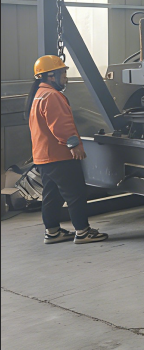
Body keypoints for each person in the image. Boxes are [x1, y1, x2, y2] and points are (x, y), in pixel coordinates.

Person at [27, 55, 108, 245]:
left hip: (44, 156)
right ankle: (83, 231)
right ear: (50, 76)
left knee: (52, 195)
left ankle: (52, 232)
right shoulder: (52, 96)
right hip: (59, 156)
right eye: (63, 73)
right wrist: (74, 145)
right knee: (76, 194)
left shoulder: (39, 94)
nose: (65, 77)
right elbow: (61, 126)